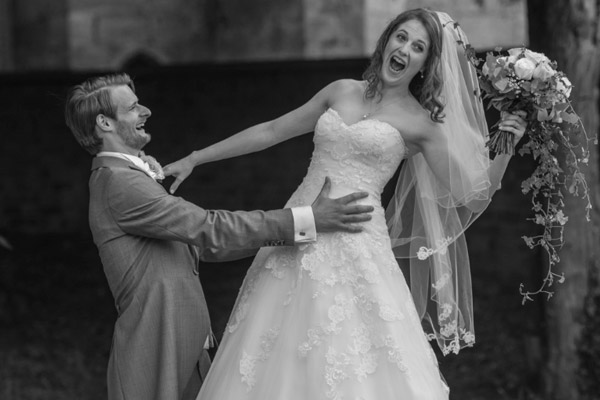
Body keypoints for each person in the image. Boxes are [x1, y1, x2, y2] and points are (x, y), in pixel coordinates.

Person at [165, 8, 527, 399]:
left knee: (347, 357)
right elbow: (270, 131)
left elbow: (470, 193)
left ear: (425, 63)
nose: (405, 48)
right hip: (296, 227)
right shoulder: (341, 90)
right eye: (401, 37)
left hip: (356, 244)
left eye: (418, 46)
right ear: (386, 40)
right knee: (269, 347)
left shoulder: (422, 124)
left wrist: (505, 146)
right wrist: (195, 157)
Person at [64, 73, 375, 400]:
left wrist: (291, 245)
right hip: (153, 356)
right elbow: (209, 227)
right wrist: (305, 219)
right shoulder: (120, 182)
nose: (145, 111)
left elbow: (201, 247)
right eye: (131, 107)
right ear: (105, 123)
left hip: (186, 354)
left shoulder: (124, 177)